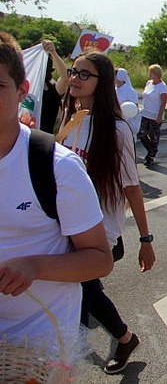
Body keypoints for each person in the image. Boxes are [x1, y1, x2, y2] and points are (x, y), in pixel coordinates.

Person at [0, 39, 113, 354]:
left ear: (22, 90)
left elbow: (100, 260)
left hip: (36, 349)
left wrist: (33, 266)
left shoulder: (57, 166)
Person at [59, 52, 156, 374]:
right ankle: (124, 338)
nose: (74, 78)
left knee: (76, 301)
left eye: (84, 74)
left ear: (102, 83)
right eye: (73, 72)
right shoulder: (69, 117)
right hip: (60, 224)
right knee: (84, 291)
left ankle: (59, 364)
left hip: (97, 230)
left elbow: (131, 187)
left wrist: (145, 238)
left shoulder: (115, 130)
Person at [137, 64, 167, 166]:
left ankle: (151, 156)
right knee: (141, 134)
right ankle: (152, 150)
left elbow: (163, 102)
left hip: (155, 114)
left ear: (156, 74)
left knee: (153, 136)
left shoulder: (162, 87)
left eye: (151, 73)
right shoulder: (149, 83)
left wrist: (159, 116)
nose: (149, 75)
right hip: (146, 113)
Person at [39, 39, 69, 134]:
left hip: (42, 139)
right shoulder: (22, 89)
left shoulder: (52, 91)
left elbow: (65, 77)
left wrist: (53, 53)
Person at [115, 68, 140, 136]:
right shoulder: (115, 90)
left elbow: (135, 107)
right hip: (116, 121)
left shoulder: (130, 91)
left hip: (128, 122)